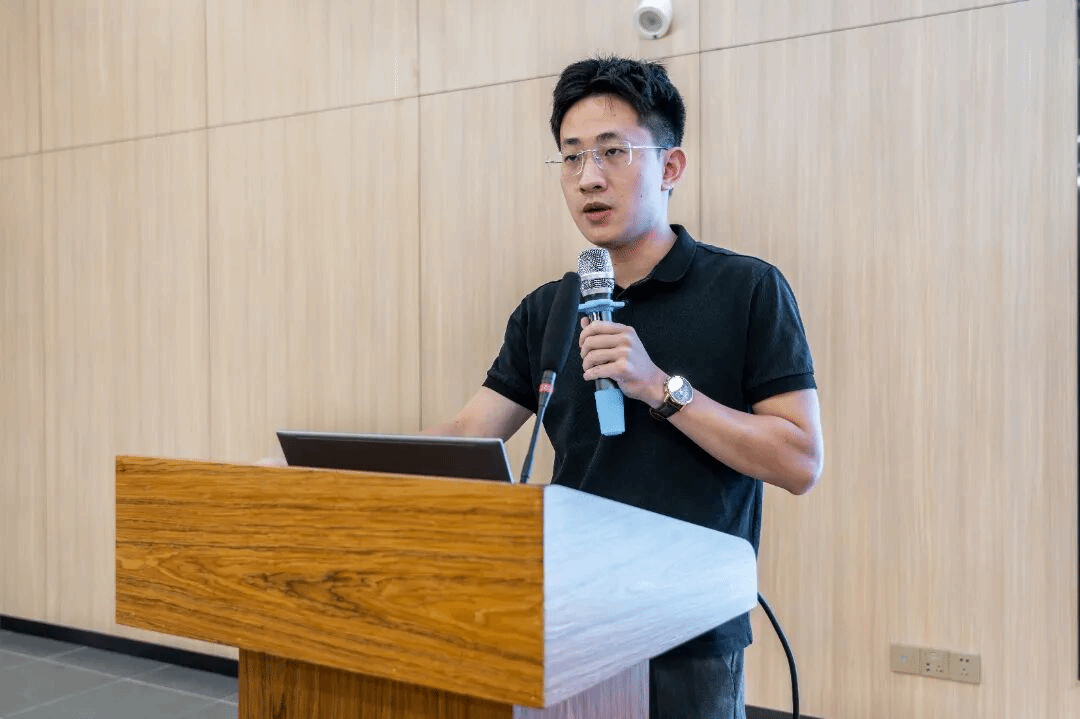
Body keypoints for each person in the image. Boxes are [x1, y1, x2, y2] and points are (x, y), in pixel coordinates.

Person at [423, 56, 824, 719]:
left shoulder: (748, 290)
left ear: (670, 167)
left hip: (689, 627)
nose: (589, 177)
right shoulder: (549, 309)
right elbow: (469, 433)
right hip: (572, 613)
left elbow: (800, 460)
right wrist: (325, 465)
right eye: (572, 157)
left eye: (613, 152)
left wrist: (660, 387)